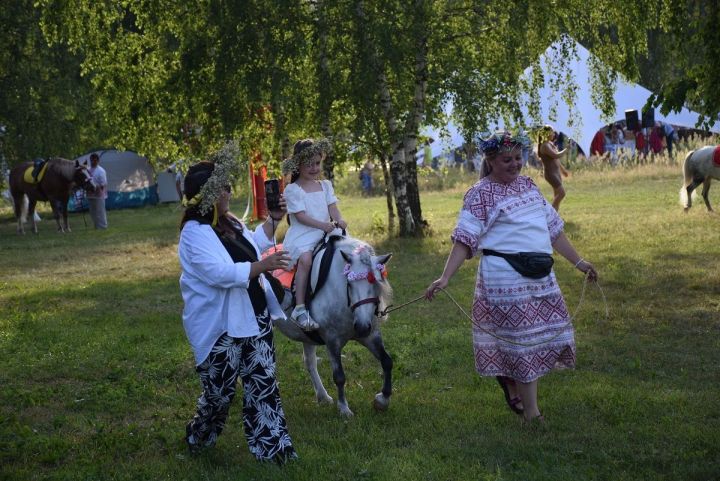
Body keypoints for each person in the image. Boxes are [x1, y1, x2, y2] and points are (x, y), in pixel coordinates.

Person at [425, 131, 598, 425]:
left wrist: (579, 262)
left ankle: (511, 380)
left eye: (519, 158)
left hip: (541, 275)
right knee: (524, 345)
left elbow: (553, 230)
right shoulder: (479, 194)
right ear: (491, 161)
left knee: (546, 337)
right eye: (507, 160)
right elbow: (464, 240)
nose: (515, 164)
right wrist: (445, 278)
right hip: (505, 279)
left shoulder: (529, 186)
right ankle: (532, 415)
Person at [178, 153, 297, 463]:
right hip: (221, 325)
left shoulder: (230, 222)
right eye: (224, 187)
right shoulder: (194, 233)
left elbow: (253, 247)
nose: (229, 191)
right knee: (219, 394)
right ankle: (199, 435)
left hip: (254, 316)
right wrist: (263, 265)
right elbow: (219, 273)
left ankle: (274, 451)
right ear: (208, 194)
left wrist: (273, 220)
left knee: (263, 384)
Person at [281, 138, 347, 330]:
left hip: (325, 231)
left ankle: (341, 297)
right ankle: (299, 307)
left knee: (345, 254)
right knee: (307, 260)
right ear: (297, 165)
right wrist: (323, 225)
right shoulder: (293, 190)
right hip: (304, 235)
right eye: (308, 164)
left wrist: (339, 220)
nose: (314, 168)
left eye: (317, 163)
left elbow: (332, 208)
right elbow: (301, 217)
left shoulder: (325, 185)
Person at [537, 125, 570, 211]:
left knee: (557, 195)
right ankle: (550, 214)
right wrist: (566, 149)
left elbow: (556, 160)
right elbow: (556, 155)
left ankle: (555, 216)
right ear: (547, 133)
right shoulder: (544, 146)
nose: (554, 133)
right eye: (552, 132)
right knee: (562, 193)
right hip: (550, 174)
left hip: (556, 173)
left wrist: (563, 171)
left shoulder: (549, 144)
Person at [86, 153, 108, 229]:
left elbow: (103, 184)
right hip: (90, 194)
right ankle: (96, 226)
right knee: (92, 212)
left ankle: (103, 226)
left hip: (99, 194)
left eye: (95, 160)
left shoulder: (101, 171)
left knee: (100, 211)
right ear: (90, 160)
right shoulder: (87, 170)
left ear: (98, 161)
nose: (94, 162)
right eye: (92, 160)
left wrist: (97, 187)